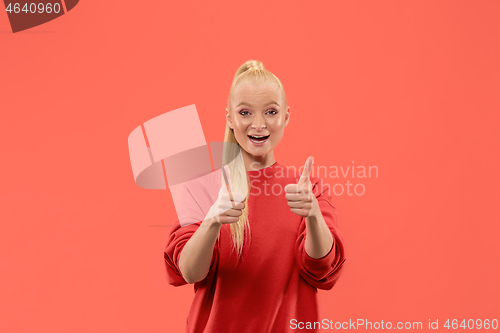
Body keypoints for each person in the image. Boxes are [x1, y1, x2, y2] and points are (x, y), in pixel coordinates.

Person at [164, 59, 346, 332]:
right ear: (230, 118)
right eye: (246, 113)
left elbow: (321, 267)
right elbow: (190, 271)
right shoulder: (201, 186)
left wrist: (312, 215)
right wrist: (212, 221)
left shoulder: (307, 190)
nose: (259, 124)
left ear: (286, 116)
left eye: (270, 112)